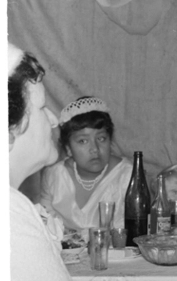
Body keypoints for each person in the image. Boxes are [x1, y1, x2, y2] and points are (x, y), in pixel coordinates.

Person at [8, 42, 177, 281]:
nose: (54, 120)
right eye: (41, 109)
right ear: (10, 128)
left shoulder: (12, 205)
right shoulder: (7, 220)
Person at [40, 96, 132, 234]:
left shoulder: (128, 175)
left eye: (101, 138)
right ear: (68, 148)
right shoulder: (54, 175)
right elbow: (44, 226)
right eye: (83, 141)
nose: (94, 148)